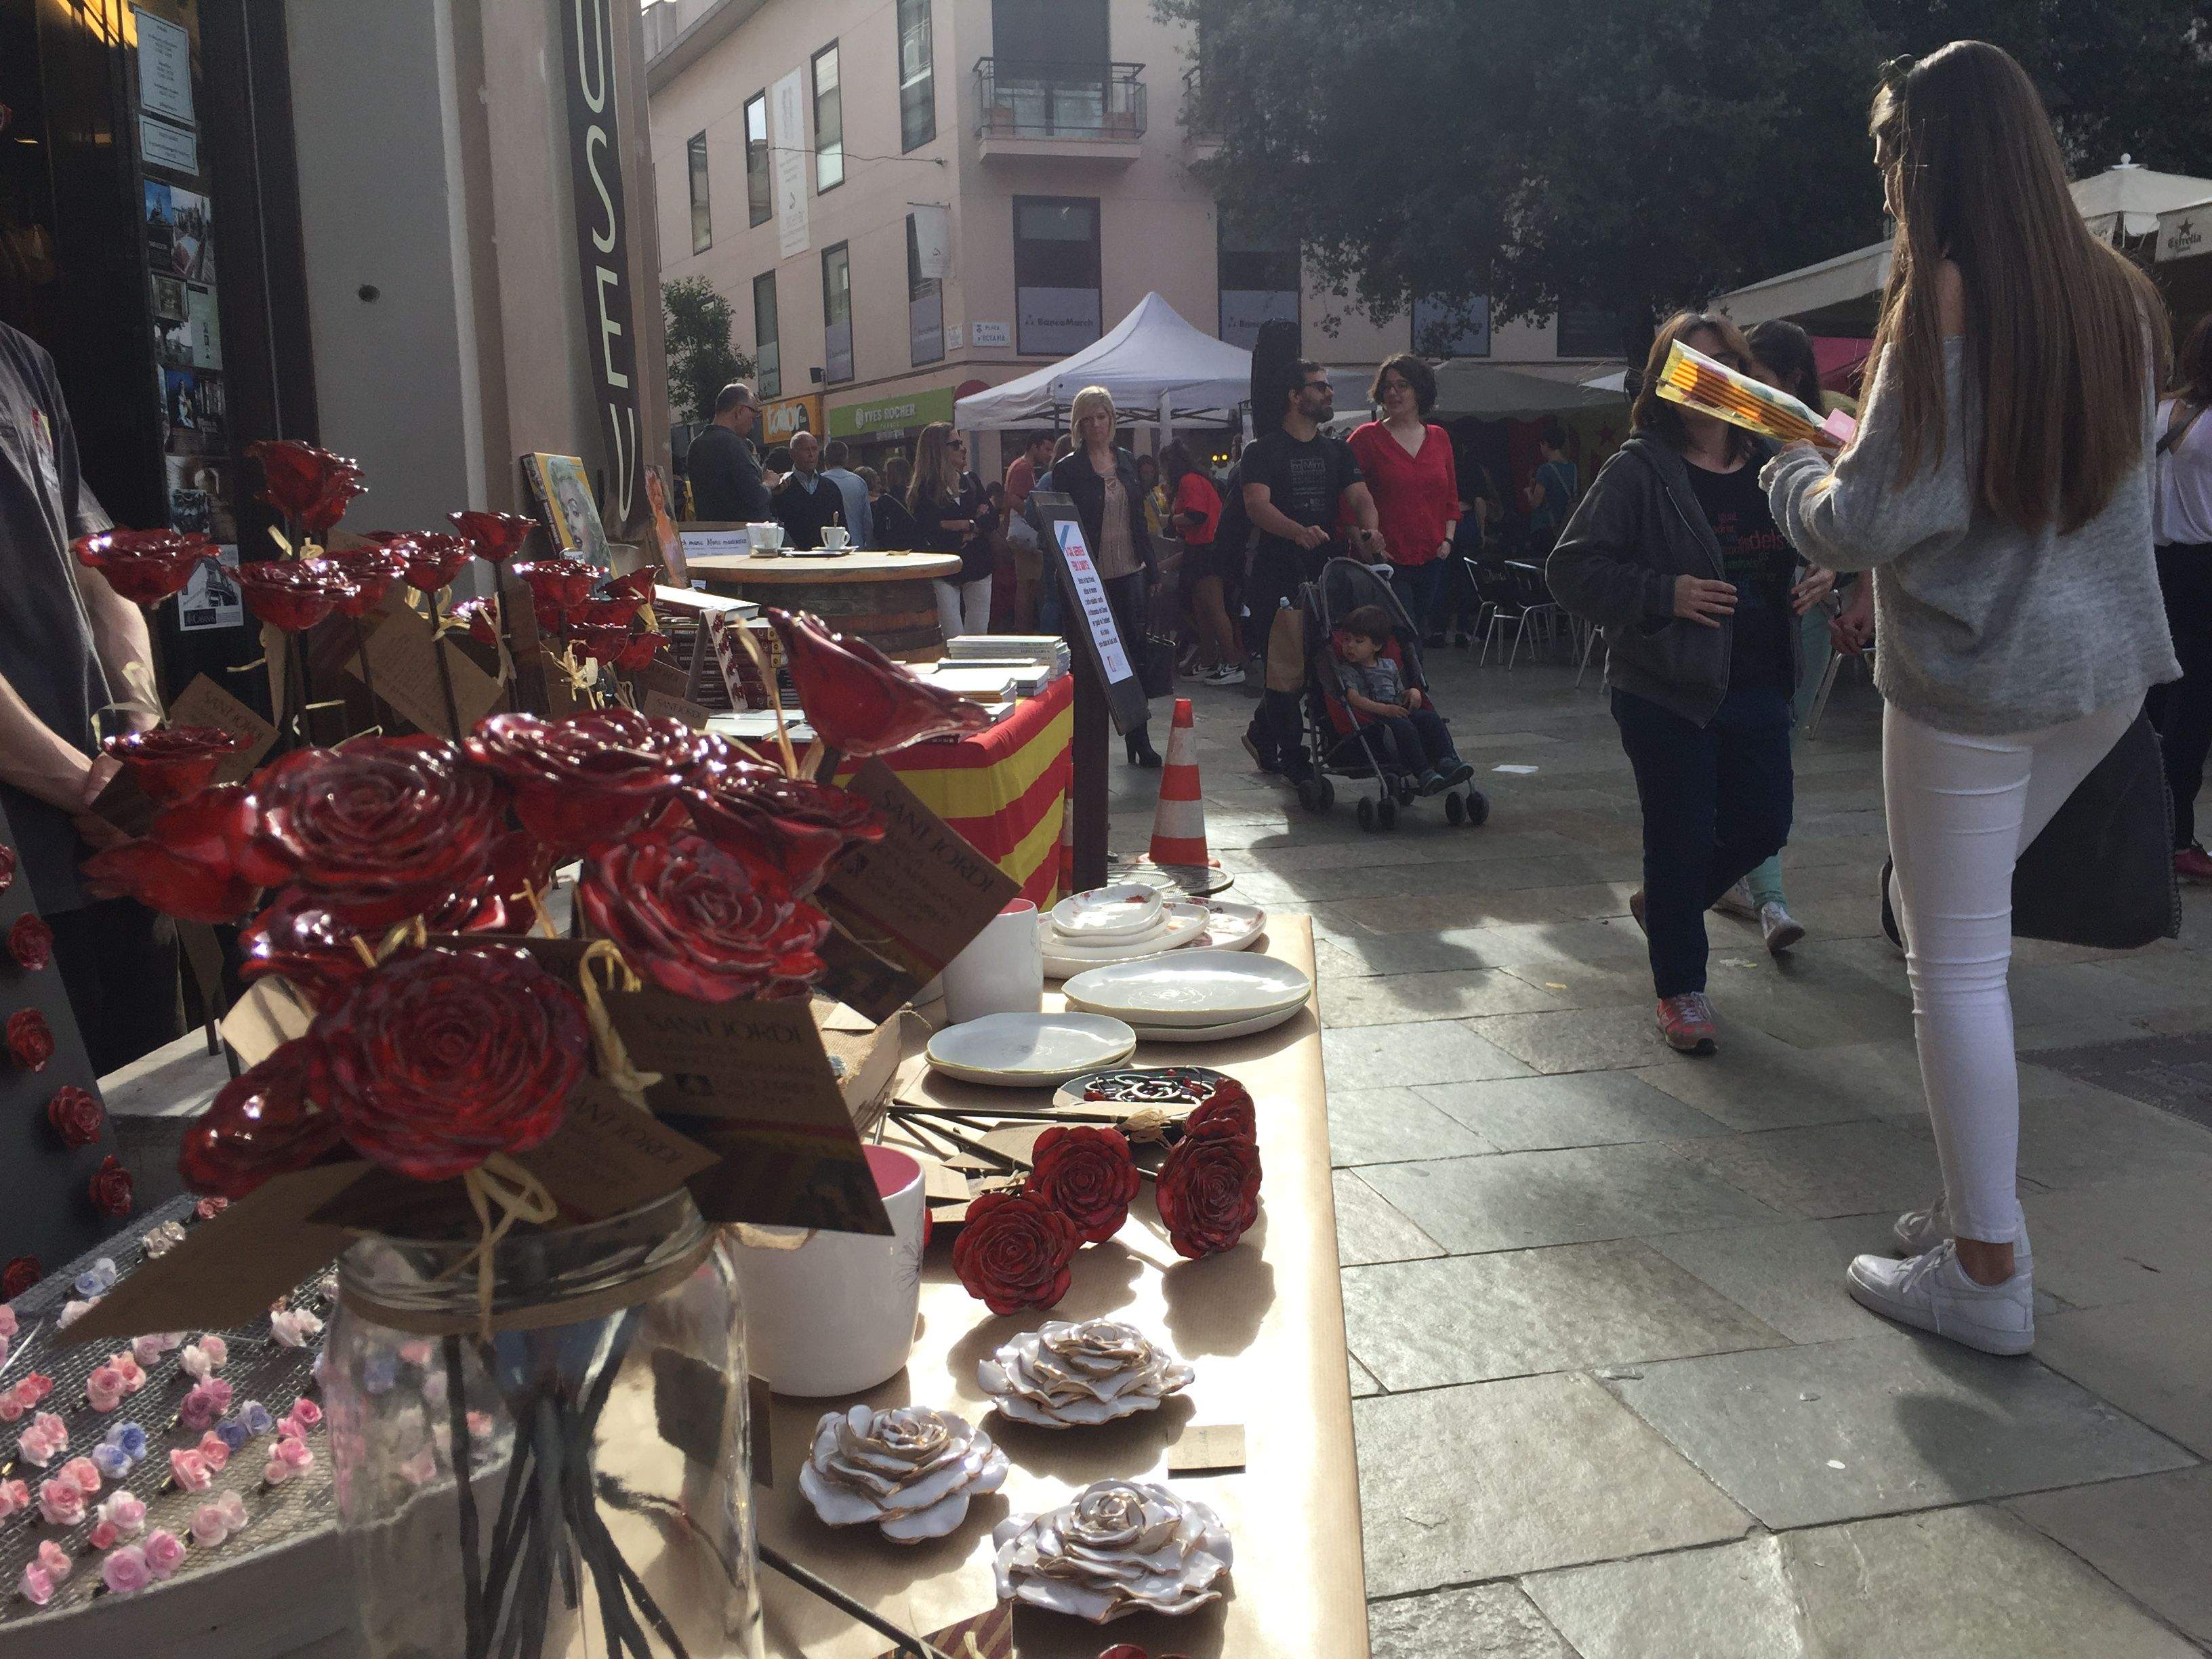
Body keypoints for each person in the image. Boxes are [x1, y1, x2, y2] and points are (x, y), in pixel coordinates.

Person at [1765, 42, 2179, 1355]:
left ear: (1926, 158)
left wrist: (1790, 471)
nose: (1888, 183)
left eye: (1892, 157)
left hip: (1973, 684)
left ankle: (1988, 1269)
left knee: (1954, 965)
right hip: (2102, 675)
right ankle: (1968, 1215)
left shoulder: (1941, 292)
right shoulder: (2116, 295)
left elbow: (1875, 518)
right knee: (1956, 940)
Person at [1549, 310, 1818, 1058]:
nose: (1712, 380)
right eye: (1692, 367)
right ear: (1668, 383)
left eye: (1725, 363)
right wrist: (1663, 594)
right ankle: (1681, 988)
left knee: (1765, 824)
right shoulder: (1641, 470)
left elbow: (1827, 530)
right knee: (1678, 836)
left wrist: (1824, 570)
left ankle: (1664, 905)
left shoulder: (1776, 458)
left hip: (1762, 677)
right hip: (1666, 687)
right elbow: (1571, 569)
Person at [0, 321, 182, 1074]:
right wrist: (89, 788)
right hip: (22, 865)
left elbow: (98, 569)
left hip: (106, 845)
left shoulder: (22, 360)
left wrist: (145, 746)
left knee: (156, 1107)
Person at [1703, 318, 1845, 953]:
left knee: (1773, 749)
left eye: (1754, 378)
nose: (1741, 388)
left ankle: (1727, 875)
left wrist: (1838, 568)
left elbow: (1862, 515)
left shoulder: (1834, 428)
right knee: (1755, 757)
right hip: (1739, 614)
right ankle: (1770, 901)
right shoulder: (1725, 434)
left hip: (1801, 614)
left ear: (1790, 380)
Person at [1240, 360, 1381, 778]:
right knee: (1286, 667)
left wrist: (1372, 532)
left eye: (1328, 387)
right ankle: (1292, 755)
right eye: (1319, 387)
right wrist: (1297, 531)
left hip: (1326, 574)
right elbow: (1256, 506)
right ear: (1294, 396)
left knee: (1320, 665)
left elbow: (1361, 497)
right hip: (1277, 574)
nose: (1328, 394)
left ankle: (1263, 736)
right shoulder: (1262, 450)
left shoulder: (1337, 449)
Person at [1039, 386, 1162, 766]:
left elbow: (1139, 518)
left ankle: (1139, 738)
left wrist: (1152, 566)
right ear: (1078, 424)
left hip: (1129, 570)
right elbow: (1058, 527)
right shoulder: (1068, 469)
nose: (1095, 424)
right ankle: (1082, 745)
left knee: (1134, 656)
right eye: (1087, 418)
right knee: (1089, 664)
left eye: (1102, 416)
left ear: (1112, 419)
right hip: (1087, 578)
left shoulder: (1125, 459)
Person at [2150, 312, 2212, 882]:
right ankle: (2177, 837)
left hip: (2155, 566)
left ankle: (2145, 829)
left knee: (2153, 703)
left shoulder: (2161, 412)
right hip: (2203, 571)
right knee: (2194, 711)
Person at [1349, 354, 1460, 644]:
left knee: (1416, 632)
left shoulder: (1439, 437)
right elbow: (1345, 499)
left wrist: (1447, 540)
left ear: (1419, 390)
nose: (1393, 393)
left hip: (1432, 556)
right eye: (1387, 387)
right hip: (1387, 558)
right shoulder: (1366, 438)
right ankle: (1412, 689)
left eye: (1402, 385)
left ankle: (1408, 688)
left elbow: (1451, 496)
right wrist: (1366, 548)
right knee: (1401, 635)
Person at [1332, 604, 1475, 795]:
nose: (1349, 646)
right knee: (1404, 727)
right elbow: (1353, 699)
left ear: (1376, 646)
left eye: (1358, 641)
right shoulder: (1347, 670)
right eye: (1346, 640)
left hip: (1395, 709)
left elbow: (1398, 693)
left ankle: (1446, 760)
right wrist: (1384, 710)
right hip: (1371, 718)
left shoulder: (1389, 666)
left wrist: (1412, 694)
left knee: (1430, 719)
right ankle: (1423, 771)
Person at [910, 422, 991, 638]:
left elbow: (991, 520)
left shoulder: (971, 481)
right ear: (938, 450)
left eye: (962, 443)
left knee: (979, 638)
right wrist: (974, 523)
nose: (962, 449)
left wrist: (962, 526)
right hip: (945, 571)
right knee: (953, 639)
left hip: (978, 567)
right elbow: (933, 533)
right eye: (955, 444)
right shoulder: (924, 491)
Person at [1163, 441, 1235, 683]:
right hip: (1200, 548)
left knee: (1214, 609)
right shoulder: (1197, 480)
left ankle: (1233, 663)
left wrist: (1172, 519)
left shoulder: (1189, 481)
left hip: (1207, 549)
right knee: (1201, 609)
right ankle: (1208, 660)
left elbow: (1197, 516)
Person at [684, 382, 773, 522]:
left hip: (711, 534)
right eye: (753, 416)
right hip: (744, 536)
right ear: (739, 411)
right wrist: (769, 483)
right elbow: (755, 496)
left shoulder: (696, 445)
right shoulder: (733, 444)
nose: (753, 425)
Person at [1003, 433, 1054, 630]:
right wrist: (1034, 519)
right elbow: (1014, 499)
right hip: (1024, 532)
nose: (1049, 455)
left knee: (1027, 583)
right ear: (1034, 447)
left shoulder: (1020, 466)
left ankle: (1023, 629)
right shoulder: (1023, 468)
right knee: (1027, 585)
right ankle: (1024, 629)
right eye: (1046, 449)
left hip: (1019, 532)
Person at [770, 430, 846, 550]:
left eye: (815, 449)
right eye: (805, 450)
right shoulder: (782, 488)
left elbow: (842, 526)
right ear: (792, 454)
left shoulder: (830, 488)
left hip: (826, 559)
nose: (811, 455)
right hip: (792, 559)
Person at [1523, 422, 1578, 552]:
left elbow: (1536, 502)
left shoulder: (1545, 470)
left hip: (1546, 528)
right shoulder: (1573, 468)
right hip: (1567, 526)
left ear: (1545, 444)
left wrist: (1528, 492)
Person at [821, 438, 872, 550]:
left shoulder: (820, 482)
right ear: (846, 459)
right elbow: (867, 521)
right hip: (856, 545)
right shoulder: (859, 482)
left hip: (827, 546)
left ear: (825, 460)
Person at [874, 453, 920, 550]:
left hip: (893, 548)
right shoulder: (917, 495)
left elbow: (878, 531)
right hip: (916, 546)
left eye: (886, 473)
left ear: (891, 476)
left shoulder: (886, 500)